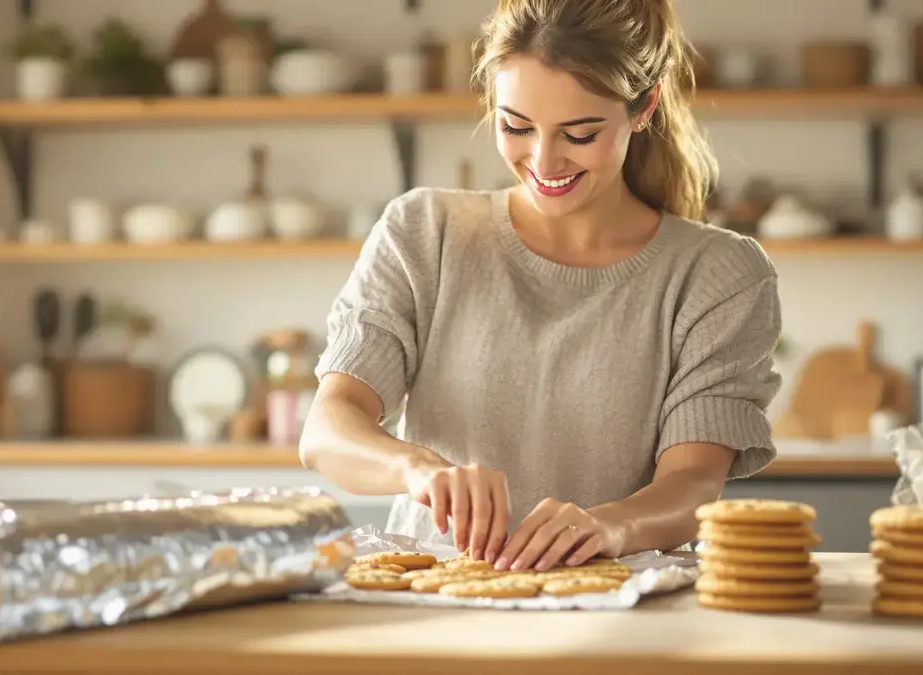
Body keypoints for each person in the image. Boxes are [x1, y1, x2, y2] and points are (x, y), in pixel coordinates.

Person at [300, 0, 782, 573]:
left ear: (644, 107)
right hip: (435, 598)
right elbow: (328, 429)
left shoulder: (720, 273)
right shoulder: (422, 232)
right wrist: (415, 468)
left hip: (620, 602)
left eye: (580, 134)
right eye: (516, 127)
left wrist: (613, 525)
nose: (544, 161)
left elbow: (694, 480)